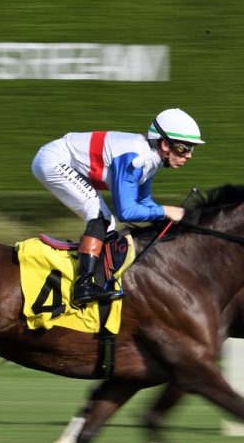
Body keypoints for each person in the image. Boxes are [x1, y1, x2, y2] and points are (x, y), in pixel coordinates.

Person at [32, 108, 202, 306]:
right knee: (103, 219)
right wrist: (167, 211)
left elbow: (145, 204)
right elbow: (126, 211)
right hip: (53, 161)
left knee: (108, 225)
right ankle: (83, 285)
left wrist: (170, 219)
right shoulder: (135, 158)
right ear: (165, 144)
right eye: (184, 148)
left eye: (191, 149)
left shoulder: (150, 160)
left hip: (58, 159)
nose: (189, 155)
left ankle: (98, 277)